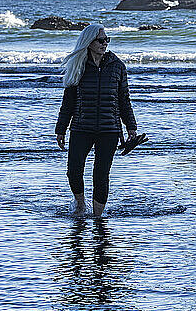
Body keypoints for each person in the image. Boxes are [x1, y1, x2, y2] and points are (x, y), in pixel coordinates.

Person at [55, 23, 137, 217]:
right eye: (101, 40)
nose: (104, 44)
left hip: (109, 130)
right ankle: (81, 204)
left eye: (106, 40)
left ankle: (98, 217)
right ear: (89, 42)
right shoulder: (78, 66)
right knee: (73, 171)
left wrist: (131, 126)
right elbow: (68, 102)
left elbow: (124, 99)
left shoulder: (117, 66)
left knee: (101, 176)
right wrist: (61, 129)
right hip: (81, 127)